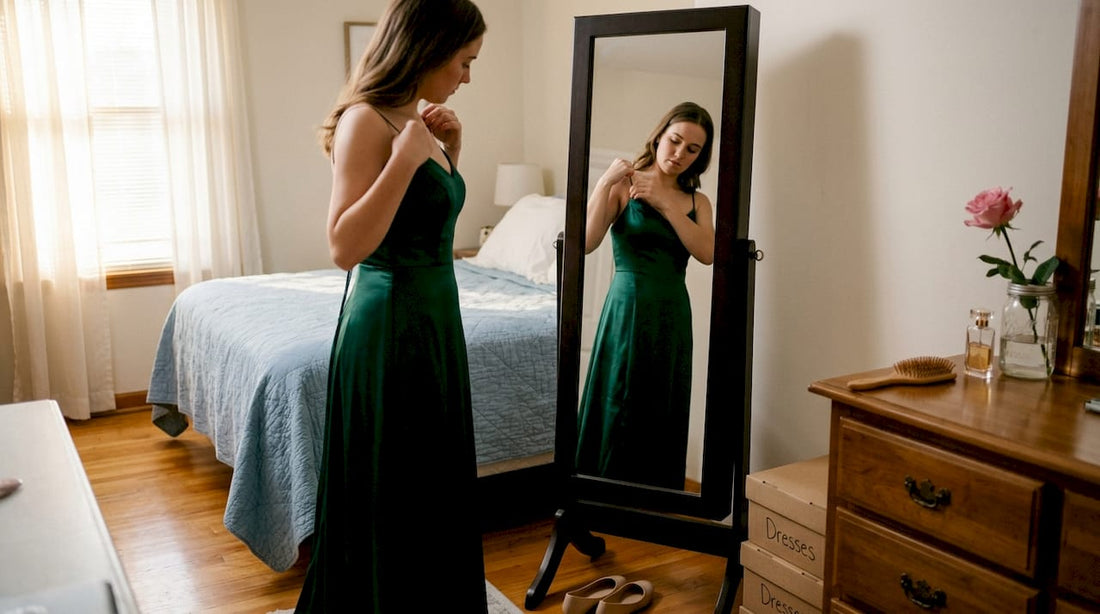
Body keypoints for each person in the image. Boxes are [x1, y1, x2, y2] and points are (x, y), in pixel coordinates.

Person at [295, 1, 487, 611]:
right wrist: (407, 160)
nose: (467, 77)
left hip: (435, 318)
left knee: (430, 481)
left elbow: (426, 220)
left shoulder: (418, 120)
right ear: (428, 49)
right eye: (464, 61)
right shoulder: (366, 120)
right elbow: (345, 246)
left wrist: (451, 153)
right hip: (390, 322)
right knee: (396, 481)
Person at [574, 102, 716, 490]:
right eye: (675, 141)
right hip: (626, 304)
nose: (679, 154)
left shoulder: (696, 202)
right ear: (658, 136)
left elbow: (707, 253)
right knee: (618, 392)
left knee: (662, 396)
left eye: (693, 149)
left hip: (671, 309)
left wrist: (666, 204)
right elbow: (584, 243)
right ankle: (601, 487)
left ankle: (656, 494)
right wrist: (605, 182)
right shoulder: (625, 183)